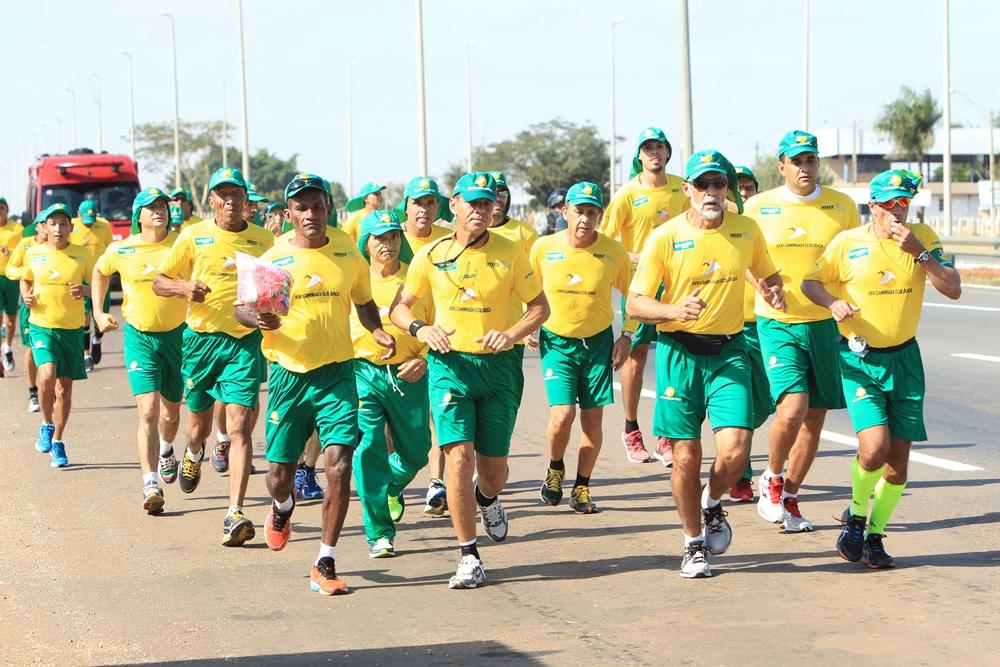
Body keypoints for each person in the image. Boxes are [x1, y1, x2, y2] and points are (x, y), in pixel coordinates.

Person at [627, 150, 785, 578]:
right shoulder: (665, 237)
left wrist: (774, 290)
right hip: (679, 353)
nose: (711, 192)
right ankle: (692, 543)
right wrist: (674, 310)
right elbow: (636, 303)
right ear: (688, 190)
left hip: (729, 351)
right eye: (703, 185)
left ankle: (712, 502)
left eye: (719, 184)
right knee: (685, 457)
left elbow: (767, 272)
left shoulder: (746, 230)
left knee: (734, 452)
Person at [390, 171, 549, 589]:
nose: (480, 210)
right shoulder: (431, 254)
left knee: (493, 472)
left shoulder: (512, 252)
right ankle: (468, 555)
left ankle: (488, 498)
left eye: (486, 204)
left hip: (499, 368)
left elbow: (538, 307)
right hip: (450, 366)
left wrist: (511, 334)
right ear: (454, 206)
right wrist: (420, 330)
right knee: (458, 457)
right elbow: (400, 308)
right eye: (472, 203)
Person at [243, 173, 394, 594]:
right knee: (278, 475)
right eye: (301, 207)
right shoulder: (274, 258)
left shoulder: (349, 254)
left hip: (337, 374)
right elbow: (242, 310)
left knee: (339, 467)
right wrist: (258, 318)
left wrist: (377, 330)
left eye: (317, 205)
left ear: (329, 207)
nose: (310, 214)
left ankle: (325, 561)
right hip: (289, 375)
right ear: (289, 213)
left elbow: (365, 303)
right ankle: (282, 506)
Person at [801, 169, 960, 568]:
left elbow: (954, 287)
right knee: (873, 448)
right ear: (872, 206)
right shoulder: (847, 243)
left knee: (898, 462)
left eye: (903, 203)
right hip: (860, 358)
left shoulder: (922, 236)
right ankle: (856, 516)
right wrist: (832, 303)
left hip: (905, 358)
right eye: (888, 204)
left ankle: (875, 537)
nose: (897, 211)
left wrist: (920, 253)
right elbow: (810, 283)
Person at [743, 130, 860, 532]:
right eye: (797, 161)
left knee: (815, 418)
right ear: (782, 166)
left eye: (810, 160)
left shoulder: (841, 206)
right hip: (778, 322)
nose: (805, 167)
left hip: (825, 323)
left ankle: (790, 495)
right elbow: (742, 256)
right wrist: (761, 284)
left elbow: (851, 261)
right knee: (792, 405)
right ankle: (772, 479)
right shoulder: (758, 206)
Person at [153, 167, 274, 546]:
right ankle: (193, 450)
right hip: (201, 343)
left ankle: (234, 512)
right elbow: (159, 281)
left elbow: (275, 286)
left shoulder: (264, 240)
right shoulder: (193, 236)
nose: (230, 202)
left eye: (236, 194)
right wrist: (184, 287)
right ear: (212, 201)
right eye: (222, 195)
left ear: (245, 200)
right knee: (198, 426)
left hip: (243, 341)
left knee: (239, 426)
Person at [530, 182, 633, 513]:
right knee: (563, 415)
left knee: (592, 422)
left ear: (600, 216)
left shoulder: (613, 252)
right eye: (579, 211)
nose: (585, 219)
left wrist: (627, 336)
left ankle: (582, 487)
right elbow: (523, 289)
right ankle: (555, 468)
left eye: (592, 212)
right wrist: (525, 325)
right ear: (565, 212)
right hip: (557, 342)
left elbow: (635, 295)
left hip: (598, 344)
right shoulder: (543, 248)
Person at [92, 188, 186, 515]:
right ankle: (150, 482)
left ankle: (167, 448)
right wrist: (98, 312)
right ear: (138, 215)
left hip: (177, 336)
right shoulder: (122, 248)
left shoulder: (181, 244)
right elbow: (100, 272)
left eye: (162, 206)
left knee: (171, 412)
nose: (159, 211)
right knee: (147, 410)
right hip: (139, 337)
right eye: (151, 207)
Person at [600, 126, 688, 465]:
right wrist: (637, 257)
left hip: (677, 285)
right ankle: (631, 429)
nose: (654, 153)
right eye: (647, 148)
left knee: (674, 353)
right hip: (640, 287)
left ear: (668, 153)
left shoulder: (683, 187)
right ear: (639, 156)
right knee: (636, 354)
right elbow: (606, 242)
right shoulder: (626, 194)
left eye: (660, 148)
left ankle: (666, 435)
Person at [350, 209, 434, 557]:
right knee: (369, 447)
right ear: (366, 244)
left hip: (408, 374)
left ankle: (391, 487)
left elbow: (437, 323)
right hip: (364, 374)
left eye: (394, 237)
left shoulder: (416, 281)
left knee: (416, 452)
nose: (389, 244)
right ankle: (380, 533)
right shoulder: (355, 281)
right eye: (380, 238)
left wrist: (423, 359)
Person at [20, 203, 96, 467]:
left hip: (72, 330)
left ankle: (58, 441)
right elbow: (25, 278)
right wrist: (25, 294)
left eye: (64, 223)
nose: (59, 228)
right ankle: (45, 423)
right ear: (45, 227)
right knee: (47, 373)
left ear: (70, 228)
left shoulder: (82, 255)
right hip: (42, 324)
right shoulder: (34, 253)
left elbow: (98, 285)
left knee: (64, 389)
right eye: (54, 223)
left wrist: (86, 292)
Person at [394, 176, 452, 513]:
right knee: (392, 421)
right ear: (407, 206)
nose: (425, 210)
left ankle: (436, 483)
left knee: (438, 411)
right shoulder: (391, 237)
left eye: (431, 203)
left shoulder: (448, 239)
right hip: (397, 336)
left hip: (438, 337)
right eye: (418, 203)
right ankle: (393, 483)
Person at [729, 166, 773, 502]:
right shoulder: (727, 230)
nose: (744, 194)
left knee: (765, 402)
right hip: (730, 329)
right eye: (738, 189)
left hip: (762, 325)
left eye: (748, 188)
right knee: (738, 401)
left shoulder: (758, 226)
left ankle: (733, 454)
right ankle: (739, 473)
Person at [6, 215, 47, 411]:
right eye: (45, 223)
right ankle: (33, 393)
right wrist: (26, 282)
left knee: (52, 353)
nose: (49, 228)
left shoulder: (63, 247)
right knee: (31, 349)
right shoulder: (26, 245)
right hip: (30, 307)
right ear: (38, 226)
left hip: (54, 309)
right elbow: (10, 269)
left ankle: (51, 390)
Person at [70, 199, 113, 371]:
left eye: (92, 219)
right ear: (78, 215)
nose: (90, 224)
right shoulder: (72, 226)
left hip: (102, 277)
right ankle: (86, 354)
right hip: (82, 277)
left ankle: (97, 339)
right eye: (86, 220)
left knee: (100, 316)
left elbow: (110, 249)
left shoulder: (104, 226)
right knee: (85, 315)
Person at [0, 196, 24, 374]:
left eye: (1, 208)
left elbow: (25, 251)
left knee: (10, 320)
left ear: (7, 210)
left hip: (11, 278)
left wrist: (11, 251)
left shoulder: (17, 229)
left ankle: (7, 346)